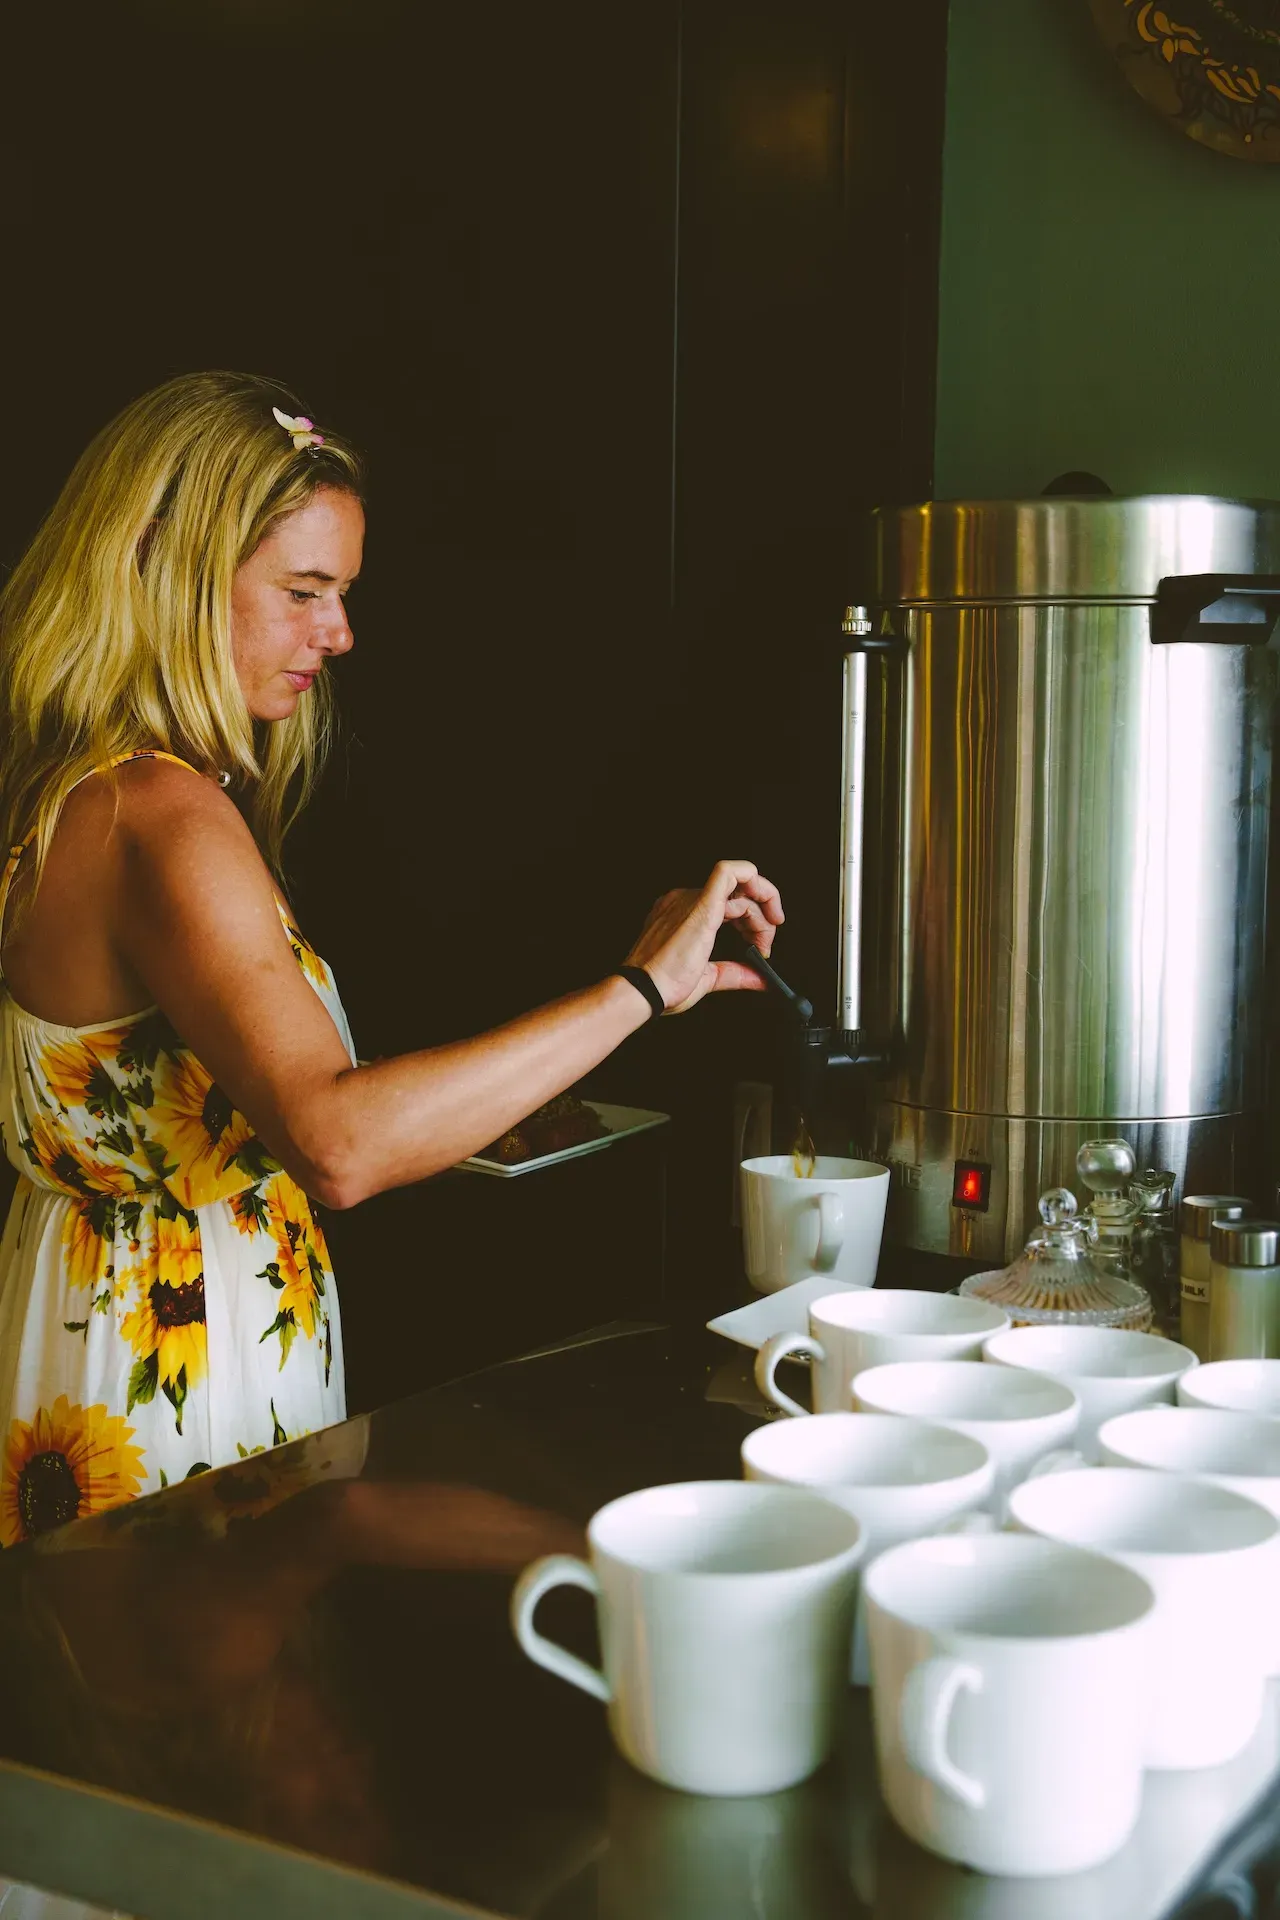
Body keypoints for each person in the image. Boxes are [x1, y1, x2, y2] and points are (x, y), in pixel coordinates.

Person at [0, 371, 783, 1541]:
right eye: (303, 590)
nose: (341, 632)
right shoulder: (160, 819)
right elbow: (340, 1142)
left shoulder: (73, 792)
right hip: (175, 1398)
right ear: (164, 569)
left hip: (80, 1338)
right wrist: (641, 991)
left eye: (344, 591)